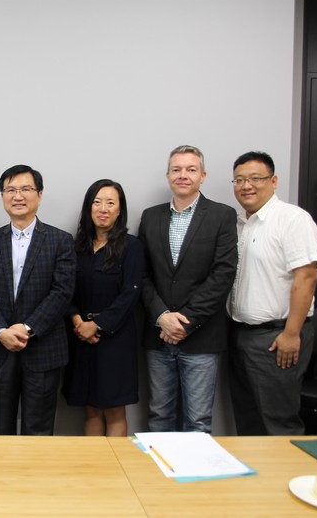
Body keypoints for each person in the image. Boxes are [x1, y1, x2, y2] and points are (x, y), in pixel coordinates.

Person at [137, 145, 238, 433]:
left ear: (202, 176)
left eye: (191, 169)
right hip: (158, 335)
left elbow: (223, 274)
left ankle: (195, 479)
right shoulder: (151, 216)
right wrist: (162, 317)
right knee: (159, 417)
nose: (183, 175)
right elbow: (142, 275)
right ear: (168, 175)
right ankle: (159, 479)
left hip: (201, 337)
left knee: (198, 421)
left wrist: (186, 321)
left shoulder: (222, 215)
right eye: (177, 169)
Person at [0, 164, 76, 435]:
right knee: (0, 429)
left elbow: (62, 292)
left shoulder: (60, 240)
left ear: (39, 195)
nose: (18, 196)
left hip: (43, 348)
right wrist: (1, 331)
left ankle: (37, 478)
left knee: (39, 431)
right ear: (2, 196)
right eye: (11, 190)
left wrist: (27, 328)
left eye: (26, 189)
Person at [227, 151, 317, 435]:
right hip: (240, 333)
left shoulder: (292, 219)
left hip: (277, 337)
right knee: (248, 419)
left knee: (278, 422)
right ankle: (256, 480)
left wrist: (292, 334)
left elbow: (306, 277)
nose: (247, 186)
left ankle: (287, 479)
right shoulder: (239, 224)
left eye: (256, 179)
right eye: (240, 180)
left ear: (274, 181)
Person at [62, 179, 144, 436]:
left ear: (120, 210)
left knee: (114, 409)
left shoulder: (132, 247)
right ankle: (94, 471)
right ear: (88, 208)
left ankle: (116, 472)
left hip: (115, 338)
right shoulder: (76, 247)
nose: (103, 208)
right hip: (80, 337)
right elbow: (65, 289)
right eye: (97, 202)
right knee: (90, 409)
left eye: (111, 203)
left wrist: (97, 325)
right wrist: (78, 323)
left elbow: (130, 294)